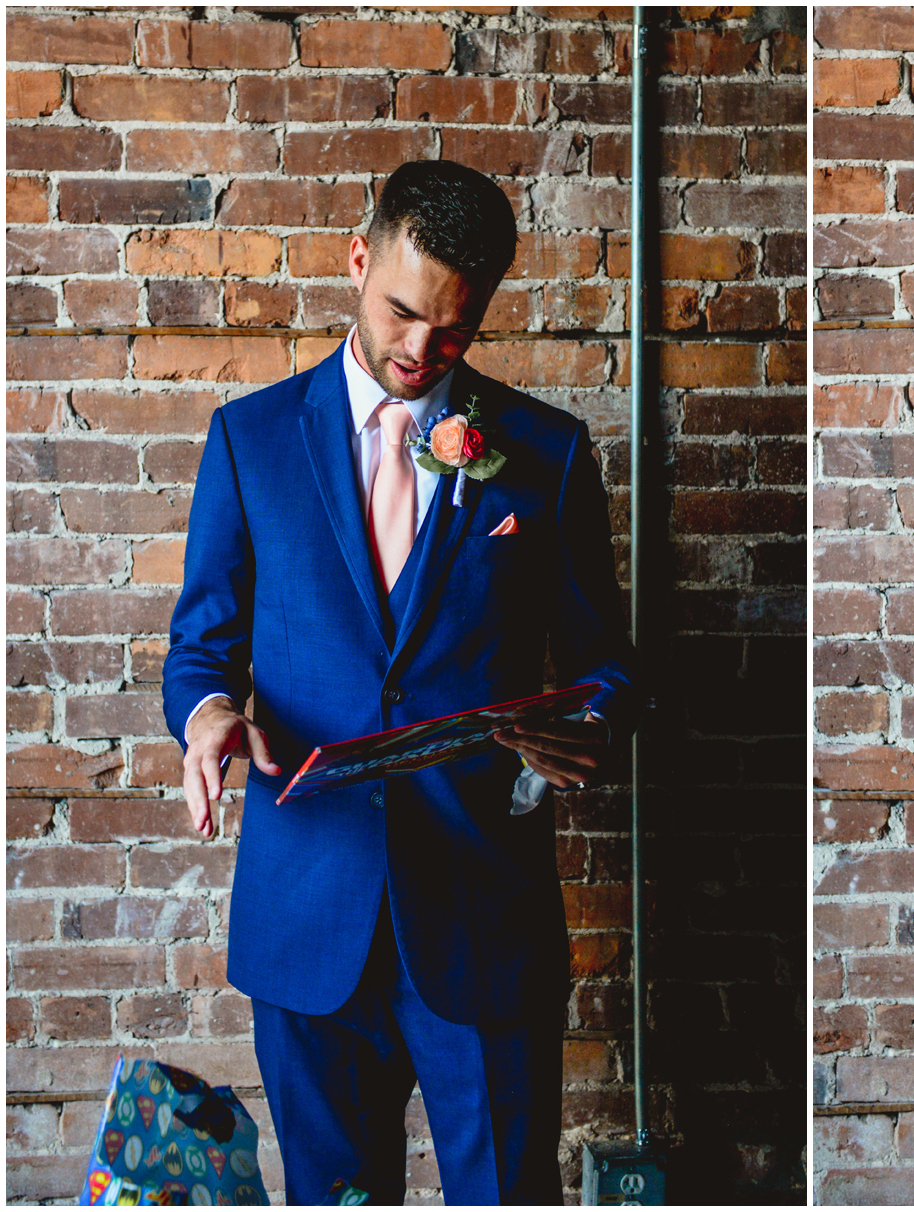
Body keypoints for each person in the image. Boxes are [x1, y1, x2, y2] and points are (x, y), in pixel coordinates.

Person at [162, 159, 636, 1205]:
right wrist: (208, 720)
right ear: (359, 259)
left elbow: (610, 670)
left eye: (455, 332)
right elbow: (201, 647)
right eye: (403, 313)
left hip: (485, 916)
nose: (421, 351)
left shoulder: (546, 456)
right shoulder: (250, 441)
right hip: (307, 912)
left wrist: (583, 730)